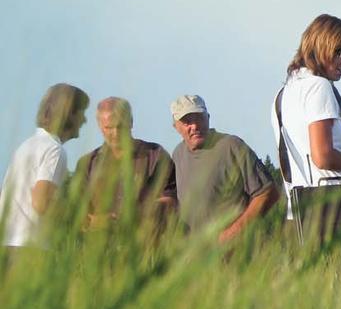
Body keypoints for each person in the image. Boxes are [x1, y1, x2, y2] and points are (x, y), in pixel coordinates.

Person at [272, 14, 341, 247]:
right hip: (331, 212)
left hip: (298, 212)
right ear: (323, 47)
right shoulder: (318, 87)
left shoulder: (284, 94)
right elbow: (323, 157)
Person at [171, 94, 278, 242]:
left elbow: (267, 193)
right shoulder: (177, 155)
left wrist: (231, 234)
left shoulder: (231, 146)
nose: (195, 126)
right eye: (187, 121)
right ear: (175, 126)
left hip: (239, 253)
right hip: (199, 257)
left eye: (199, 118)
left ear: (208, 117)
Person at [1, 83, 89, 251]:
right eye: (82, 113)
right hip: (30, 249)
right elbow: (42, 202)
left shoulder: (27, 146)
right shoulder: (54, 150)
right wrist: (81, 219)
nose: (84, 120)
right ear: (69, 114)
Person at [73, 97, 176, 232]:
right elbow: (77, 211)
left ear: (131, 122)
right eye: (109, 127)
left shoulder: (156, 155)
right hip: (101, 247)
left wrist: (125, 217)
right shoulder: (87, 163)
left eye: (121, 125)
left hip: (146, 245)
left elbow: (170, 201)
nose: (115, 133)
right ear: (99, 126)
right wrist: (97, 221)